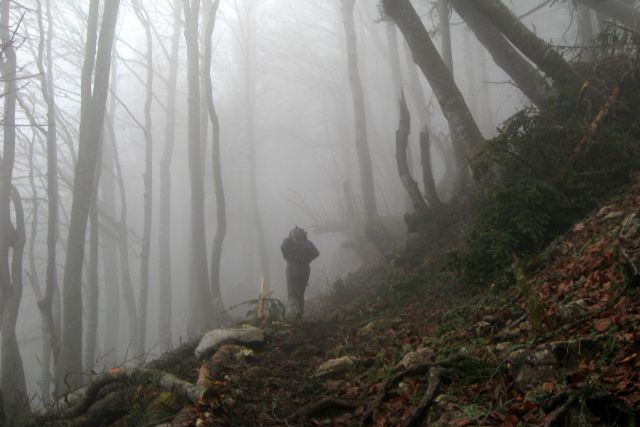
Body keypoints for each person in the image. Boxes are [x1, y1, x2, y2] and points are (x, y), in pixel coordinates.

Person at [280, 226, 319, 319]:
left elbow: (283, 247)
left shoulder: (289, 241)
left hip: (292, 268)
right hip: (305, 269)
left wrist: (289, 257)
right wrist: (307, 259)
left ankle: (291, 316)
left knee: (292, 294)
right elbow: (316, 253)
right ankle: (299, 316)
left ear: (293, 234)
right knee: (300, 293)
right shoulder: (308, 243)